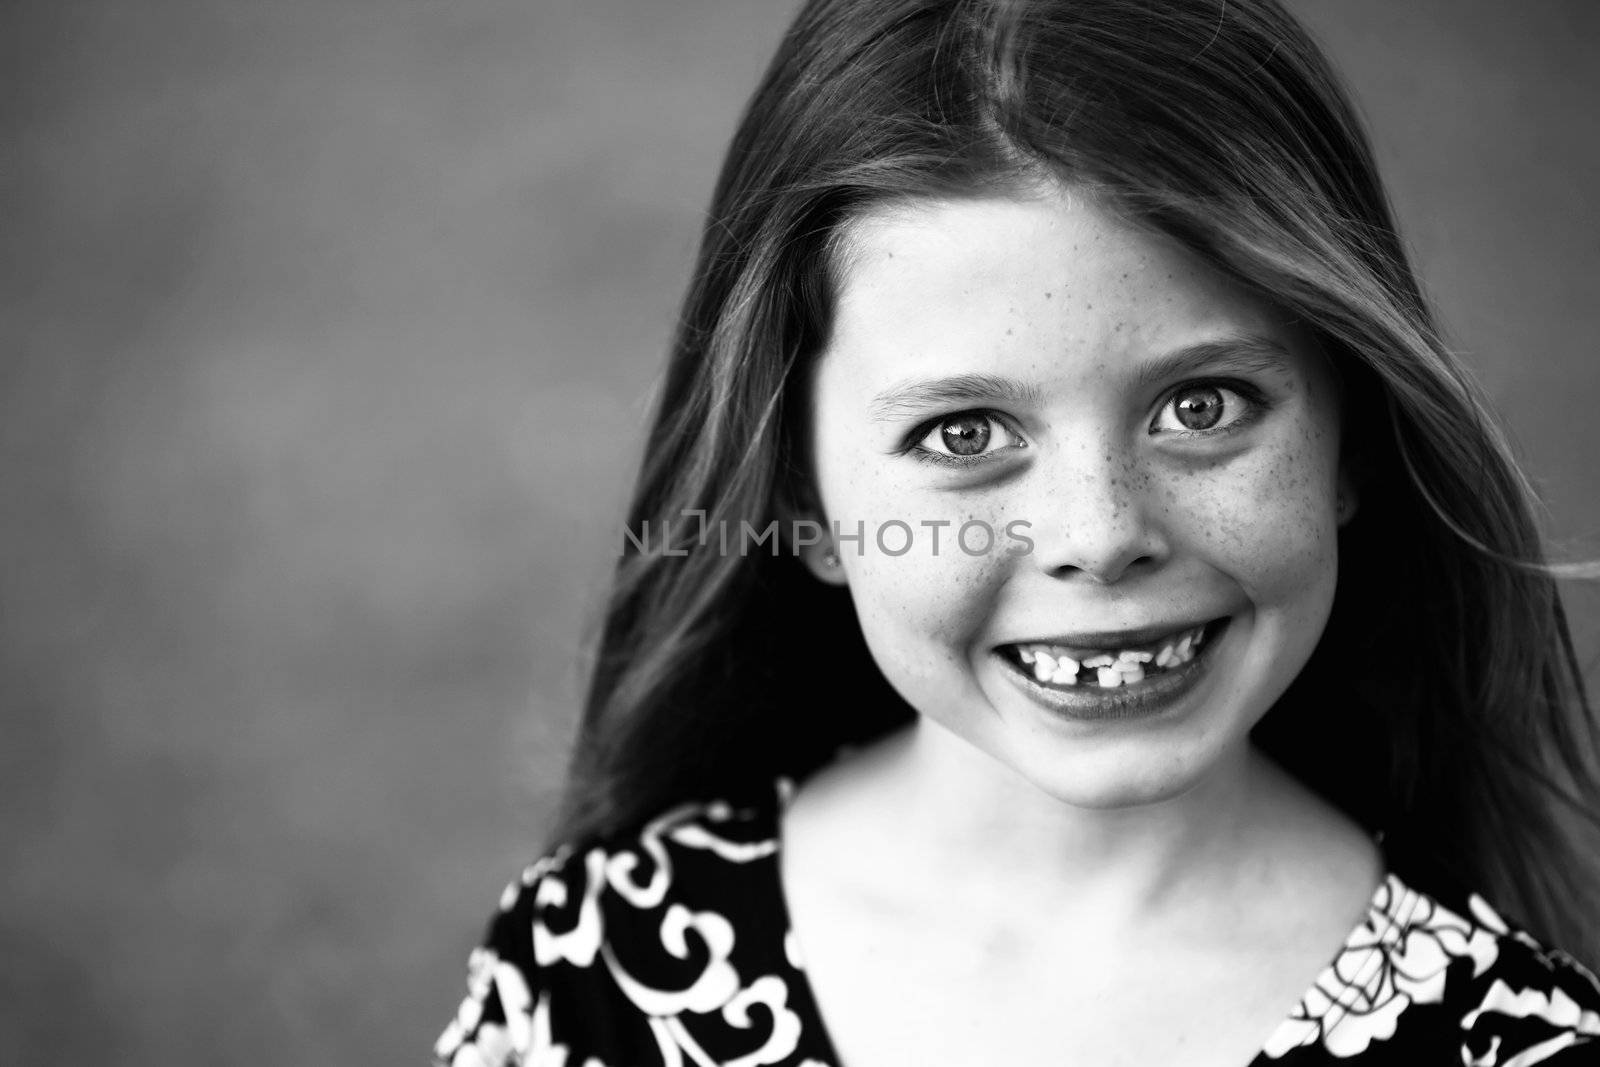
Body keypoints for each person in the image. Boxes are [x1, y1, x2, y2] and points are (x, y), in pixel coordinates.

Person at [434, 1, 1600, 1063]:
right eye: (960, 434)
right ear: (802, 498)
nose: (1099, 534)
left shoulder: (1511, 1041)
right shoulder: (595, 963)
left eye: (1202, 406)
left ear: (1353, 439)